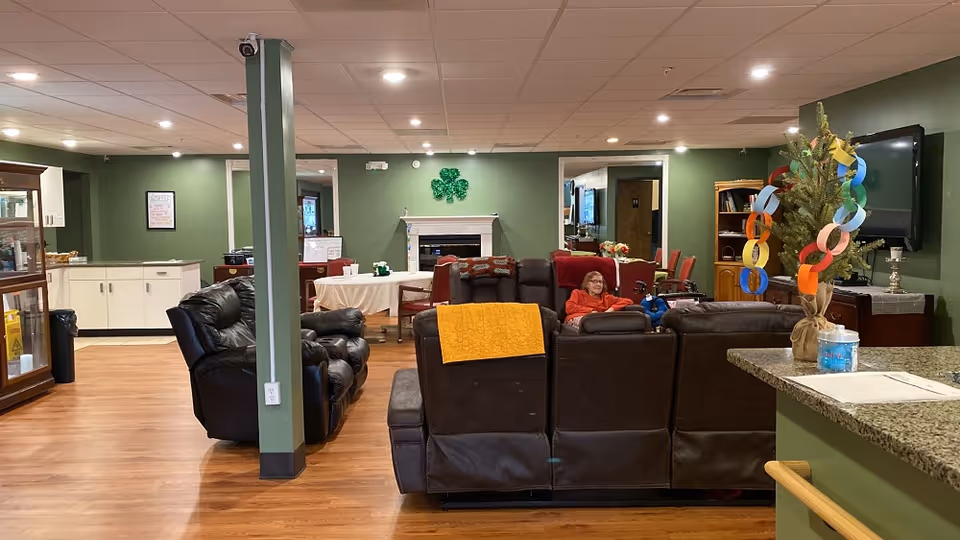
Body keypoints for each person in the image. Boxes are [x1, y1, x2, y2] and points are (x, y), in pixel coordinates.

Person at [564, 270, 633, 327]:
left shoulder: (606, 297)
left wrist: (611, 309)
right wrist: (591, 311)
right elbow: (569, 308)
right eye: (594, 281)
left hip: (598, 321)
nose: (598, 284)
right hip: (579, 319)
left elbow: (628, 301)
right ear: (587, 284)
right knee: (592, 323)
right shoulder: (578, 293)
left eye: (600, 282)